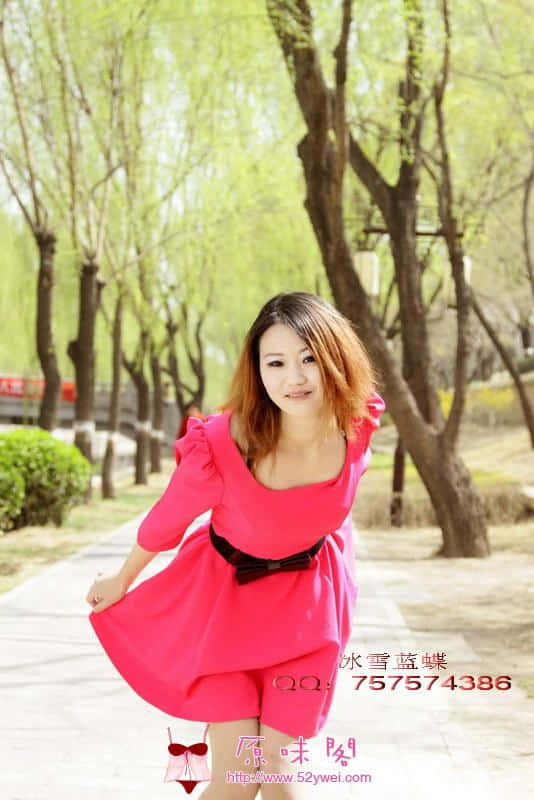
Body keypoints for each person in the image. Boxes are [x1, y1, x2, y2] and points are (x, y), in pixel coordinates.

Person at [86, 291, 385, 799]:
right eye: (276, 363)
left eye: (309, 358)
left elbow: (335, 517)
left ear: (336, 357)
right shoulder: (225, 444)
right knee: (236, 780)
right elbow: (166, 520)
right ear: (257, 370)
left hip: (305, 621)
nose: (294, 377)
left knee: (280, 775)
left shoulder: (355, 431)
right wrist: (121, 579)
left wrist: (343, 586)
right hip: (222, 613)